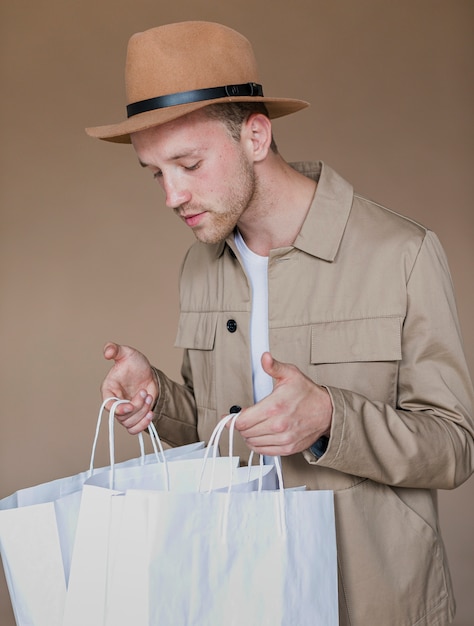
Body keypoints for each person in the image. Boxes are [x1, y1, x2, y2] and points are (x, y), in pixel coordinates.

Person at [86, 21, 474, 625]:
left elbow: (454, 448)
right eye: (157, 173)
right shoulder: (200, 264)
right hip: (236, 594)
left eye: (188, 163)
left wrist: (330, 419)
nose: (172, 195)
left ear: (257, 137)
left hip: (373, 603)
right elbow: (216, 433)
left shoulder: (403, 253)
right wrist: (156, 396)